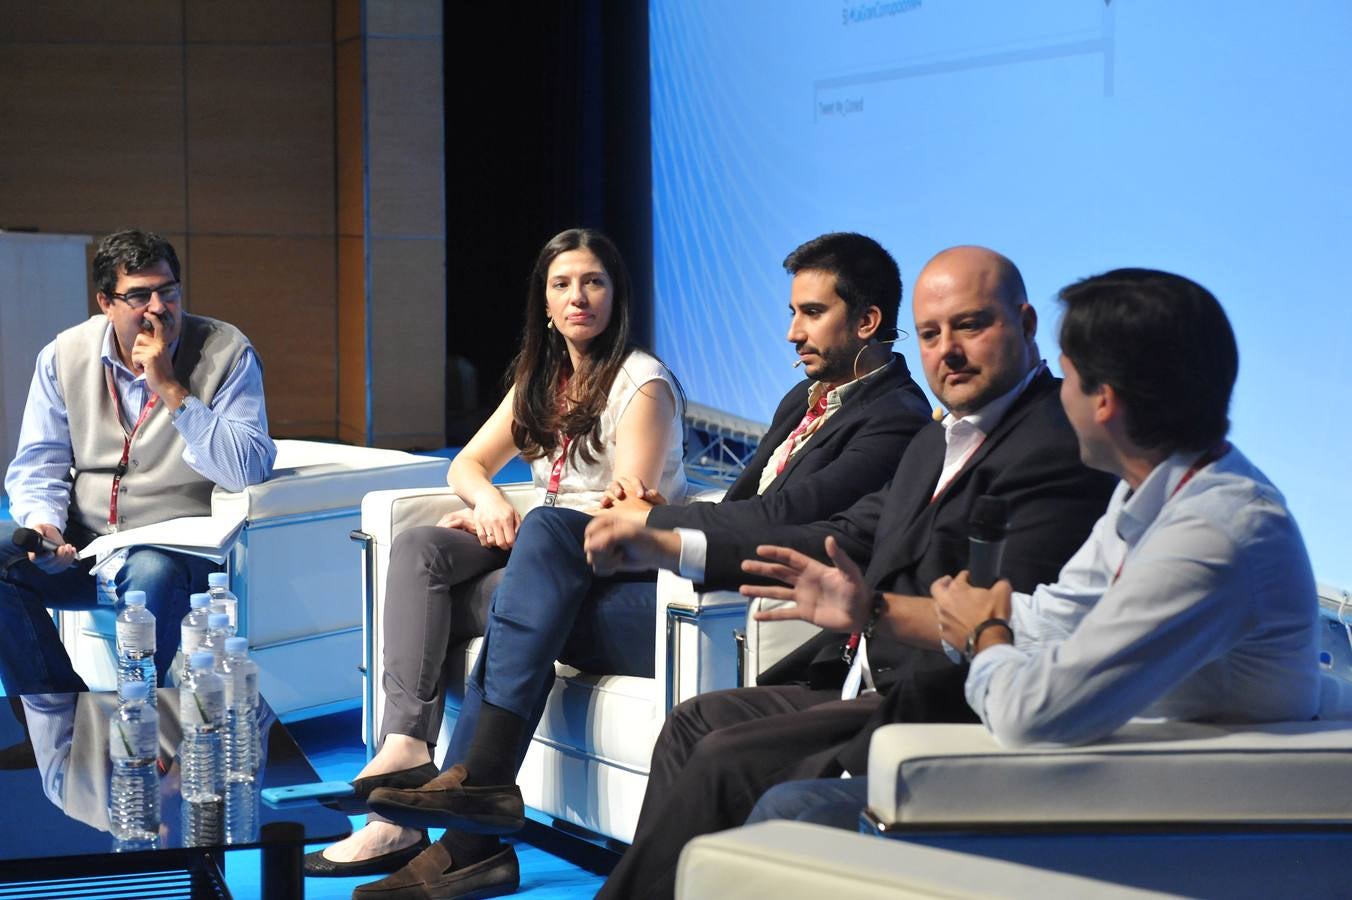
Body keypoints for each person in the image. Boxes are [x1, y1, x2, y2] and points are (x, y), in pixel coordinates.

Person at [342, 232, 934, 897]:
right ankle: (472, 813)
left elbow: (780, 518)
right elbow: (746, 501)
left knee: (536, 561)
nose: (792, 332)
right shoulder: (806, 397)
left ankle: (474, 821)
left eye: (810, 313)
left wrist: (649, 522)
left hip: (737, 610)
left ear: (867, 321)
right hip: (686, 584)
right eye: (792, 312)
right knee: (515, 573)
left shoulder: (894, 418)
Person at [582, 245, 1118, 900]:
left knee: (725, 761)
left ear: (1026, 324)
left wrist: (870, 612)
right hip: (853, 672)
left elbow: (1009, 617)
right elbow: (843, 535)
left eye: (970, 326)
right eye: (930, 334)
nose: (947, 351)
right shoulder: (934, 440)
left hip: (940, 700)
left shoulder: (1055, 444)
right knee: (695, 723)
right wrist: (676, 547)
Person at [749, 266, 1320, 827]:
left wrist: (983, 632)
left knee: (791, 811)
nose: (1057, 394)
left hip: (1169, 816)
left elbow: (1031, 714)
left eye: (1067, 378)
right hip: (1130, 780)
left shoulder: (1214, 535)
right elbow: (1054, 619)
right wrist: (875, 611)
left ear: (1104, 401)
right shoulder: (1154, 496)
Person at [304, 227, 689, 878]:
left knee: (478, 592)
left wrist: (527, 512)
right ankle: (404, 746)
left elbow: (623, 511)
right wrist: (489, 504)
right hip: (542, 548)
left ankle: (404, 827)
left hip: (605, 564)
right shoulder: (542, 377)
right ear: (543, 301)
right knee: (423, 546)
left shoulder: (641, 384)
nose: (578, 297)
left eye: (593, 282)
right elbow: (470, 464)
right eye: (562, 284)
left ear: (616, 295)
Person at [0, 228, 275, 694]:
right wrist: (46, 526)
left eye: (167, 291)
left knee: (152, 570)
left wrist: (171, 389)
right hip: (84, 547)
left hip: (177, 554)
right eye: (139, 295)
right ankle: (60, 710)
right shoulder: (63, 355)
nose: (158, 307)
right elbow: (37, 465)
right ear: (106, 302)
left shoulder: (227, 351)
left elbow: (247, 467)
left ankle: (140, 718)